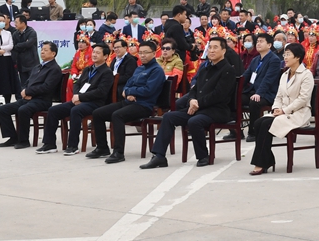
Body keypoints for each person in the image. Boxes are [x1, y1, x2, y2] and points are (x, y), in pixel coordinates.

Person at [141, 37, 236, 169]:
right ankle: (159, 156)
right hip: (197, 108)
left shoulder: (227, 70)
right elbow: (194, 89)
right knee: (168, 117)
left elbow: (219, 95)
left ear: (224, 51)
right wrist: (192, 100)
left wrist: (197, 104)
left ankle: (203, 156)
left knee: (194, 121)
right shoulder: (205, 68)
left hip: (217, 110)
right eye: (210, 47)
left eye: (216, 47)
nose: (212, 50)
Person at [88, 40, 165, 164]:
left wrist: (132, 92)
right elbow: (127, 85)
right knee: (98, 113)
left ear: (154, 54)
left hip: (143, 105)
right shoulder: (139, 69)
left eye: (146, 53)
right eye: (140, 53)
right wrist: (129, 92)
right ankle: (102, 147)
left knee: (117, 115)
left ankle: (118, 152)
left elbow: (149, 90)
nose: (142, 55)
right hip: (129, 102)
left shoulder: (156, 71)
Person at [249, 43, 314, 175]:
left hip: (299, 113)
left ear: (297, 57)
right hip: (283, 111)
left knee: (266, 124)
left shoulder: (306, 75)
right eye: (284, 54)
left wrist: (284, 111)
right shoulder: (284, 74)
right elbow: (278, 96)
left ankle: (261, 163)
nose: (285, 57)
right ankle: (267, 159)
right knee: (258, 122)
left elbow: (303, 99)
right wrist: (276, 108)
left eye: (288, 54)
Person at [38, 43, 114, 155]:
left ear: (105, 56)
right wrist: (77, 95)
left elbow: (101, 92)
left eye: (98, 53)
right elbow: (77, 84)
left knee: (76, 111)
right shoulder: (88, 69)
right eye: (93, 52)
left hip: (95, 103)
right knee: (54, 110)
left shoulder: (106, 72)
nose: (94, 55)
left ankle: (73, 146)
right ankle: (49, 144)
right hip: (80, 100)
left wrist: (81, 97)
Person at [0, 42, 62, 149]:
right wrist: (24, 91)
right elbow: (27, 83)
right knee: (2, 109)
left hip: (42, 100)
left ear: (53, 53)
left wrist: (29, 92)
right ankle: (13, 137)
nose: (42, 52)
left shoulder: (54, 69)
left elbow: (47, 87)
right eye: (42, 49)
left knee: (23, 110)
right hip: (28, 98)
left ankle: (23, 140)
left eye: (46, 50)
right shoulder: (37, 67)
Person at [241, 34, 283, 142]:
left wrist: (259, 93)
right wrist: (235, 87)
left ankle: (253, 132)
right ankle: (236, 130)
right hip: (253, 91)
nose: (258, 43)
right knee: (236, 98)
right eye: (257, 41)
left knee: (254, 102)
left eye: (261, 41)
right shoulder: (255, 59)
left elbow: (268, 80)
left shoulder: (274, 60)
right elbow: (246, 76)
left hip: (267, 93)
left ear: (269, 45)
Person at [11, 15, 39, 87]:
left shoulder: (31, 32)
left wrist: (19, 45)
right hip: (21, 64)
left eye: (17, 22)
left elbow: (29, 44)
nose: (15, 24)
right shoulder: (15, 34)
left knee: (32, 84)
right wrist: (23, 44)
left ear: (23, 23)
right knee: (23, 85)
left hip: (31, 63)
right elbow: (14, 46)